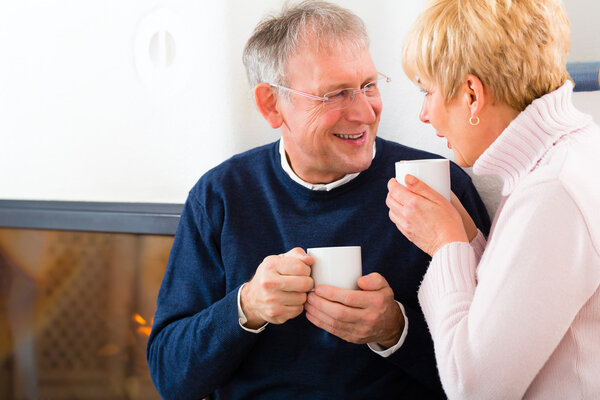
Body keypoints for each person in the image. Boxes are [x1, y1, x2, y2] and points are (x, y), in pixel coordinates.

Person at [147, 1, 490, 399]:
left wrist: (396, 331)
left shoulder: (435, 187)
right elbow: (170, 378)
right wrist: (246, 307)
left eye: (368, 85)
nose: (364, 113)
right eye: (335, 95)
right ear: (271, 104)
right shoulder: (220, 195)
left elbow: (493, 372)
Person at [386, 0, 600, 398]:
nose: (424, 114)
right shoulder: (567, 157)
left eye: (427, 91)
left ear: (471, 94)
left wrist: (445, 245)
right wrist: (469, 241)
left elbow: (475, 389)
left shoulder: (552, 192)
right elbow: (525, 306)